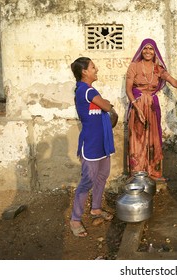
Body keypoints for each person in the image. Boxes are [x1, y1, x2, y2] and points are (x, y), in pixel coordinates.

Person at [125, 38, 177, 181]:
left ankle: (153, 172)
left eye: (151, 49)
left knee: (153, 137)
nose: (147, 51)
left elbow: (173, 81)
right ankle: (137, 172)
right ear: (141, 50)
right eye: (145, 48)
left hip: (152, 107)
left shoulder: (158, 68)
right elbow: (128, 89)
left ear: (155, 52)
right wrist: (137, 107)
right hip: (137, 105)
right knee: (137, 138)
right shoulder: (134, 66)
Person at [69, 57, 115, 237]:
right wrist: (108, 104)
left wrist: (105, 105)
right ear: (84, 72)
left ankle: (95, 209)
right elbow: (106, 106)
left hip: (102, 143)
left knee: (102, 176)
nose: (97, 70)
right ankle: (74, 219)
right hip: (90, 145)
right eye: (93, 67)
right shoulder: (85, 90)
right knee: (87, 181)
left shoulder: (90, 91)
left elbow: (102, 107)